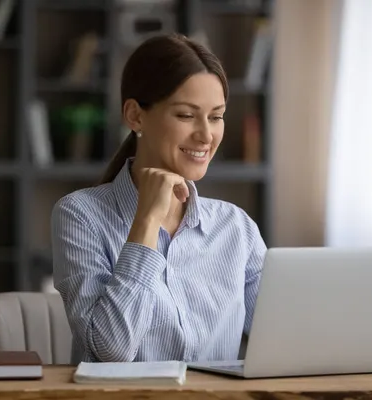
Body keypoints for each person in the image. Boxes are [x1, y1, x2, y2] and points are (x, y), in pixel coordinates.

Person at [51, 33, 267, 365]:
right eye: (186, 115)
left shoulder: (236, 227)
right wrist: (147, 221)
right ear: (135, 116)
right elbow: (111, 350)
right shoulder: (80, 216)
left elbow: (286, 340)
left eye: (216, 116)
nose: (206, 135)